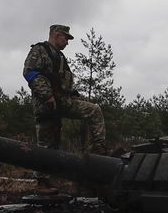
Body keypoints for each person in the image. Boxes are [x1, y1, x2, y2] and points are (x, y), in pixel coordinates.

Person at [23, 24, 107, 154]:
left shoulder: (61, 57)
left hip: (63, 101)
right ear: (57, 35)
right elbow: (30, 72)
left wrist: (73, 95)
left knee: (94, 110)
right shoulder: (39, 50)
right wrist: (47, 96)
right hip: (46, 105)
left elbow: (64, 82)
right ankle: (42, 173)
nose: (67, 43)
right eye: (66, 38)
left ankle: (98, 150)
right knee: (47, 148)